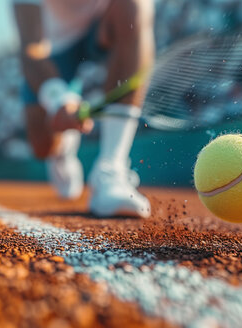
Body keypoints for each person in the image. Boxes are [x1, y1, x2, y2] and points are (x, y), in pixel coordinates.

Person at [12, 0, 154, 218]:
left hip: (102, 26)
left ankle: (111, 170)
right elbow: (30, 47)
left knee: (134, 7)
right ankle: (63, 149)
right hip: (53, 48)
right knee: (42, 146)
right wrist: (59, 100)